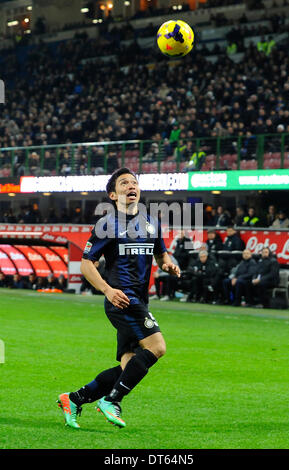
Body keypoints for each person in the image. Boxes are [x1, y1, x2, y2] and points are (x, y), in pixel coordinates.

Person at [57, 168, 180, 429]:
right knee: (158, 347)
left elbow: (161, 255)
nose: (131, 185)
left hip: (140, 300)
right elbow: (86, 264)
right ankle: (112, 400)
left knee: (129, 366)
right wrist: (107, 290)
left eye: (134, 182)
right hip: (122, 300)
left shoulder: (151, 223)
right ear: (113, 195)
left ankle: (75, 398)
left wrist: (168, 265)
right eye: (124, 183)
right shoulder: (107, 225)